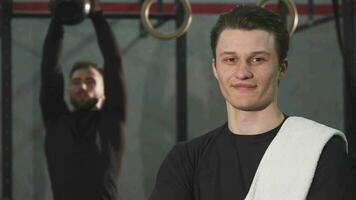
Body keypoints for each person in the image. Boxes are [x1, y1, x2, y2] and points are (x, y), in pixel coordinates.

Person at [149, 5, 350, 200]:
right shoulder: (186, 160)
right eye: (230, 60)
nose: (243, 73)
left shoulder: (319, 150)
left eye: (257, 59)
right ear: (215, 68)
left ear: (282, 67)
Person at [39, 0, 126, 199]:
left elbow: (113, 63)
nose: (82, 86)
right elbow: (50, 70)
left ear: (105, 91)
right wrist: (57, 20)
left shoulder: (111, 121)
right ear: (68, 88)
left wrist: (97, 17)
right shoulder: (55, 120)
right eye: (76, 81)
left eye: (90, 81)